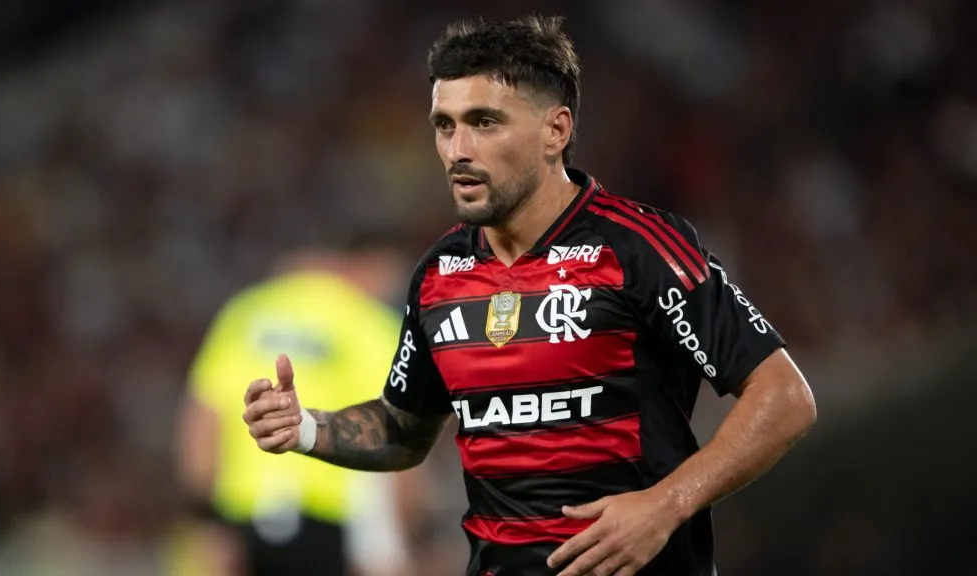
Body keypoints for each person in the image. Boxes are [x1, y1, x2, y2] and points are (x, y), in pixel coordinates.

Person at [242, 15, 817, 576]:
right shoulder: (440, 273)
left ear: (556, 131)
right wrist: (307, 429)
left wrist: (666, 504)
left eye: (485, 122)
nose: (457, 150)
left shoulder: (638, 248)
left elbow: (785, 396)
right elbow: (403, 429)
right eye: (444, 125)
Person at [174, 237, 412, 576]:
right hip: (328, 520)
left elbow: (202, 418)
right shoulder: (370, 324)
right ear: (373, 266)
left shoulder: (247, 311)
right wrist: (397, 542)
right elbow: (398, 436)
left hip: (239, 513)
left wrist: (204, 519)